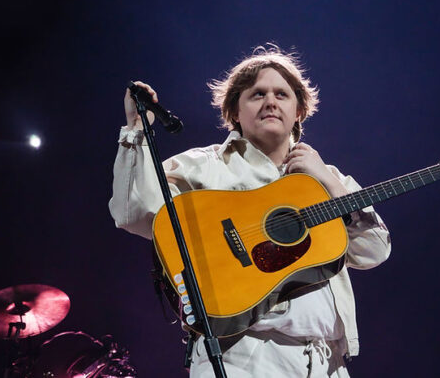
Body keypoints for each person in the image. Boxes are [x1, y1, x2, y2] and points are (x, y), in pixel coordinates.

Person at [109, 45, 391, 377]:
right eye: (257, 94)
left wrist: (329, 181)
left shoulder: (328, 178)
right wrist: (136, 130)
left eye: (282, 95)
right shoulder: (205, 166)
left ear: (299, 112)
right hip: (242, 357)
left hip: (326, 363)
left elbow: (374, 250)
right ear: (234, 112)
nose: (271, 101)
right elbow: (135, 212)